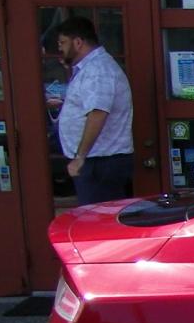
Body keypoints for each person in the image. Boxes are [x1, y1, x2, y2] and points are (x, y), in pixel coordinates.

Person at [54, 16, 134, 204]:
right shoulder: (89, 68)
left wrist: (80, 157)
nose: (60, 48)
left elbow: (98, 113)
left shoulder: (98, 70)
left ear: (78, 42)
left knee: (98, 222)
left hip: (100, 161)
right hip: (97, 159)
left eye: (63, 42)